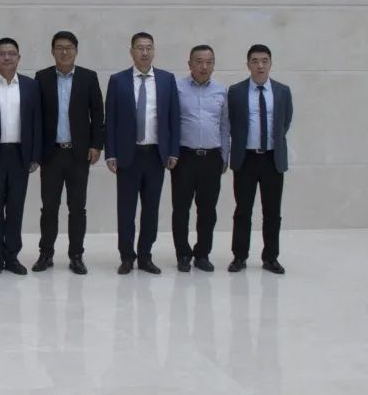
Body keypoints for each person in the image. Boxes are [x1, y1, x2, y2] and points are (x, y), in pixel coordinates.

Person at [105, 32, 180, 275]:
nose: (144, 52)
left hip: (156, 155)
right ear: (131, 51)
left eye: (149, 47)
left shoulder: (167, 80)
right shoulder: (118, 80)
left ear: (154, 51)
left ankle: (145, 256)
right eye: (139, 47)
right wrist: (110, 153)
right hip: (128, 155)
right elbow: (111, 119)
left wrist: (173, 151)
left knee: (151, 209)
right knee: (126, 210)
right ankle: (127, 256)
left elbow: (174, 118)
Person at [33, 31, 104, 275]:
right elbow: (36, 117)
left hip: (78, 155)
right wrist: (35, 152)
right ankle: (46, 253)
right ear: (52, 51)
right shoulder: (42, 78)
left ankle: (76, 255)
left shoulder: (88, 77)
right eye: (60, 47)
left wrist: (96, 145)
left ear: (76, 50)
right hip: (51, 154)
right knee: (49, 208)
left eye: (69, 47)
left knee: (77, 208)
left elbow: (98, 113)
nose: (64, 52)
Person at [0, 38, 42, 275]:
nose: (7, 57)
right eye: (2, 53)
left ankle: (12, 256)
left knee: (15, 208)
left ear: (19, 58)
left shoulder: (31, 86)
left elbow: (37, 122)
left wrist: (35, 155)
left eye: (11, 53)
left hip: (20, 155)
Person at [228, 44, 294, 275]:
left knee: (272, 212)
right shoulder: (235, 91)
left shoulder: (282, 91)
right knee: (243, 211)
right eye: (255, 61)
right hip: (245, 159)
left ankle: (271, 257)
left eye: (264, 61)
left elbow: (285, 123)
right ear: (248, 64)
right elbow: (231, 122)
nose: (260, 65)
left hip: (272, 159)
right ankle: (239, 256)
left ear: (270, 63)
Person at [172, 45, 230, 273]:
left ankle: (202, 254)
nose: (204, 66)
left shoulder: (221, 91)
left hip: (211, 158)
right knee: (181, 209)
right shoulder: (177, 88)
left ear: (213, 64)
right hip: (184, 158)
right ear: (189, 64)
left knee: (207, 210)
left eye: (209, 62)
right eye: (199, 61)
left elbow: (224, 126)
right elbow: (170, 122)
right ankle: (183, 254)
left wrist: (224, 155)